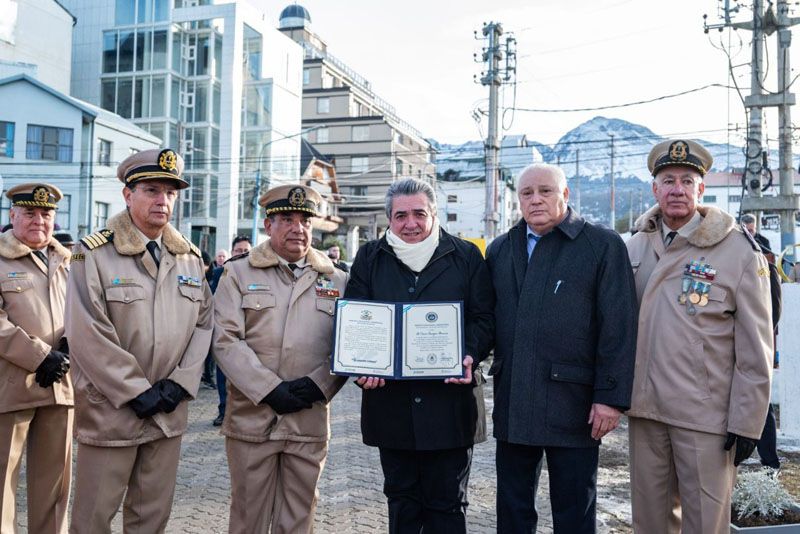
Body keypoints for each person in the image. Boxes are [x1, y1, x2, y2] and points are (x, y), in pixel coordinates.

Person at [626, 139, 773, 534]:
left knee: (705, 524)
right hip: (645, 410)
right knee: (650, 524)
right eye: (668, 180)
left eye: (687, 181)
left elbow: (756, 344)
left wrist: (747, 421)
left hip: (705, 416)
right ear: (654, 189)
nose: (677, 189)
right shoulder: (634, 245)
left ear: (700, 189)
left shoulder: (736, 249)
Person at [65, 148, 213, 534]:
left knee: (151, 519)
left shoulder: (189, 259)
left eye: (170, 192)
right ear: (128, 194)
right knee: (93, 519)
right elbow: (86, 329)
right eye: (151, 189)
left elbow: (204, 324)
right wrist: (134, 389)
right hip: (112, 410)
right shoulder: (92, 253)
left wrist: (180, 384)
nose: (162, 200)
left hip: (166, 410)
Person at [486, 163, 638, 533]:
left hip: (575, 405)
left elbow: (618, 327)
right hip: (514, 399)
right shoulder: (501, 249)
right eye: (527, 193)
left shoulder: (601, 245)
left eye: (545, 191)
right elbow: (486, 319)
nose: (535, 200)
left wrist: (610, 397)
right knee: (513, 508)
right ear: (518, 199)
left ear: (565, 195)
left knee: (574, 510)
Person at [345, 177, 494, 533]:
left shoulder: (466, 255)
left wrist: (469, 353)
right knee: (402, 503)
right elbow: (355, 317)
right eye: (400, 216)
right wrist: (361, 366)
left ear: (434, 214)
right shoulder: (370, 257)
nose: (410, 223)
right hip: (391, 407)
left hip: (450, 405)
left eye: (419, 214)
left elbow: (485, 318)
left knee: (448, 506)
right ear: (389, 219)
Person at [213, 184, 348, 533]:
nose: (297, 228)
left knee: (299, 519)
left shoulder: (338, 279)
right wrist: (269, 389)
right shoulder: (238, 273)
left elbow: (349, 346)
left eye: (305, 220)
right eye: (286, 219)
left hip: (308, 419)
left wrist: (317, 385)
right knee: (248, 517)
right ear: (268, 225)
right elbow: (225, 339)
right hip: (253, 421)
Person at [0, 183, 72, 533]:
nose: (39, 221)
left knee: (54, 488)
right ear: (12, 215)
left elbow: (85, 312)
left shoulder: (70, 260)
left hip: (61, 387)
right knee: (2, 486)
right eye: (29, 213)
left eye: (46, 214)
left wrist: (73, 344)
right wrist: (40, 356)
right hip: (11, 387)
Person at [210, 235, 253, 427]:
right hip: (225, 332)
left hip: (250, 334)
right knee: (223, 374)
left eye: (246, 251)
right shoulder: (220, 272)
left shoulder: (258, 273)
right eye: (239, 250)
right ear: (232, 251)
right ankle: (223, 410)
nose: (243, 254)